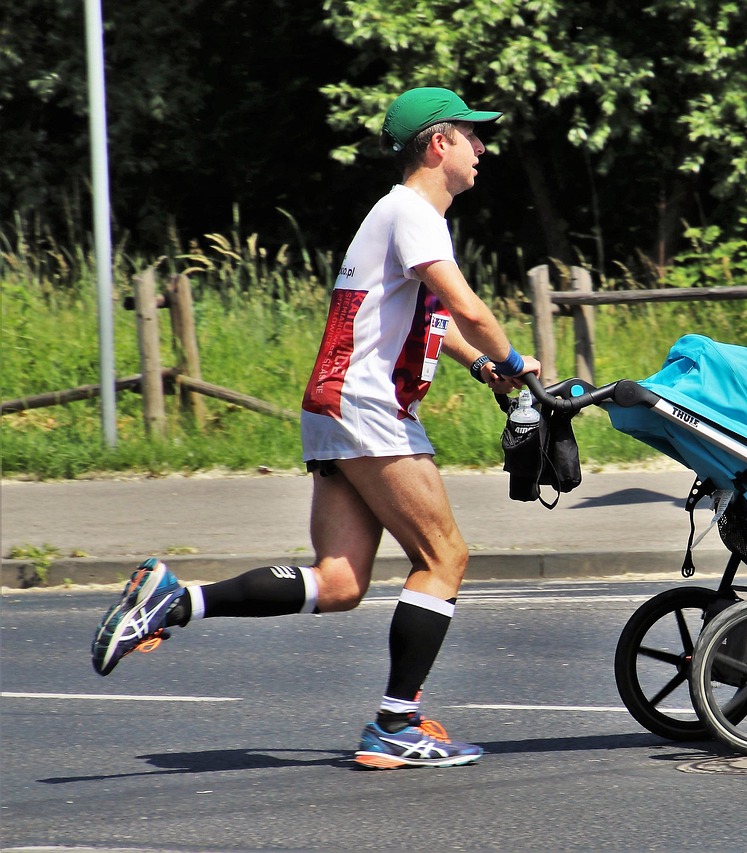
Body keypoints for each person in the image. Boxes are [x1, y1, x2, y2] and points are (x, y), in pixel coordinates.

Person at [91, 87, 539, 770]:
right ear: (437, 143)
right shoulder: (414, 213)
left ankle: (176, 601)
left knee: (338, 583)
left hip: (334, 405)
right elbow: (467, 305)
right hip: (369, 409)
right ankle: (396, 722)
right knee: (444, 556)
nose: (482, 149)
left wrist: (482, 369)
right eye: (471, 136)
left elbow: (419, 320)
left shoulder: (394, 217)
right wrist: (512, 360)